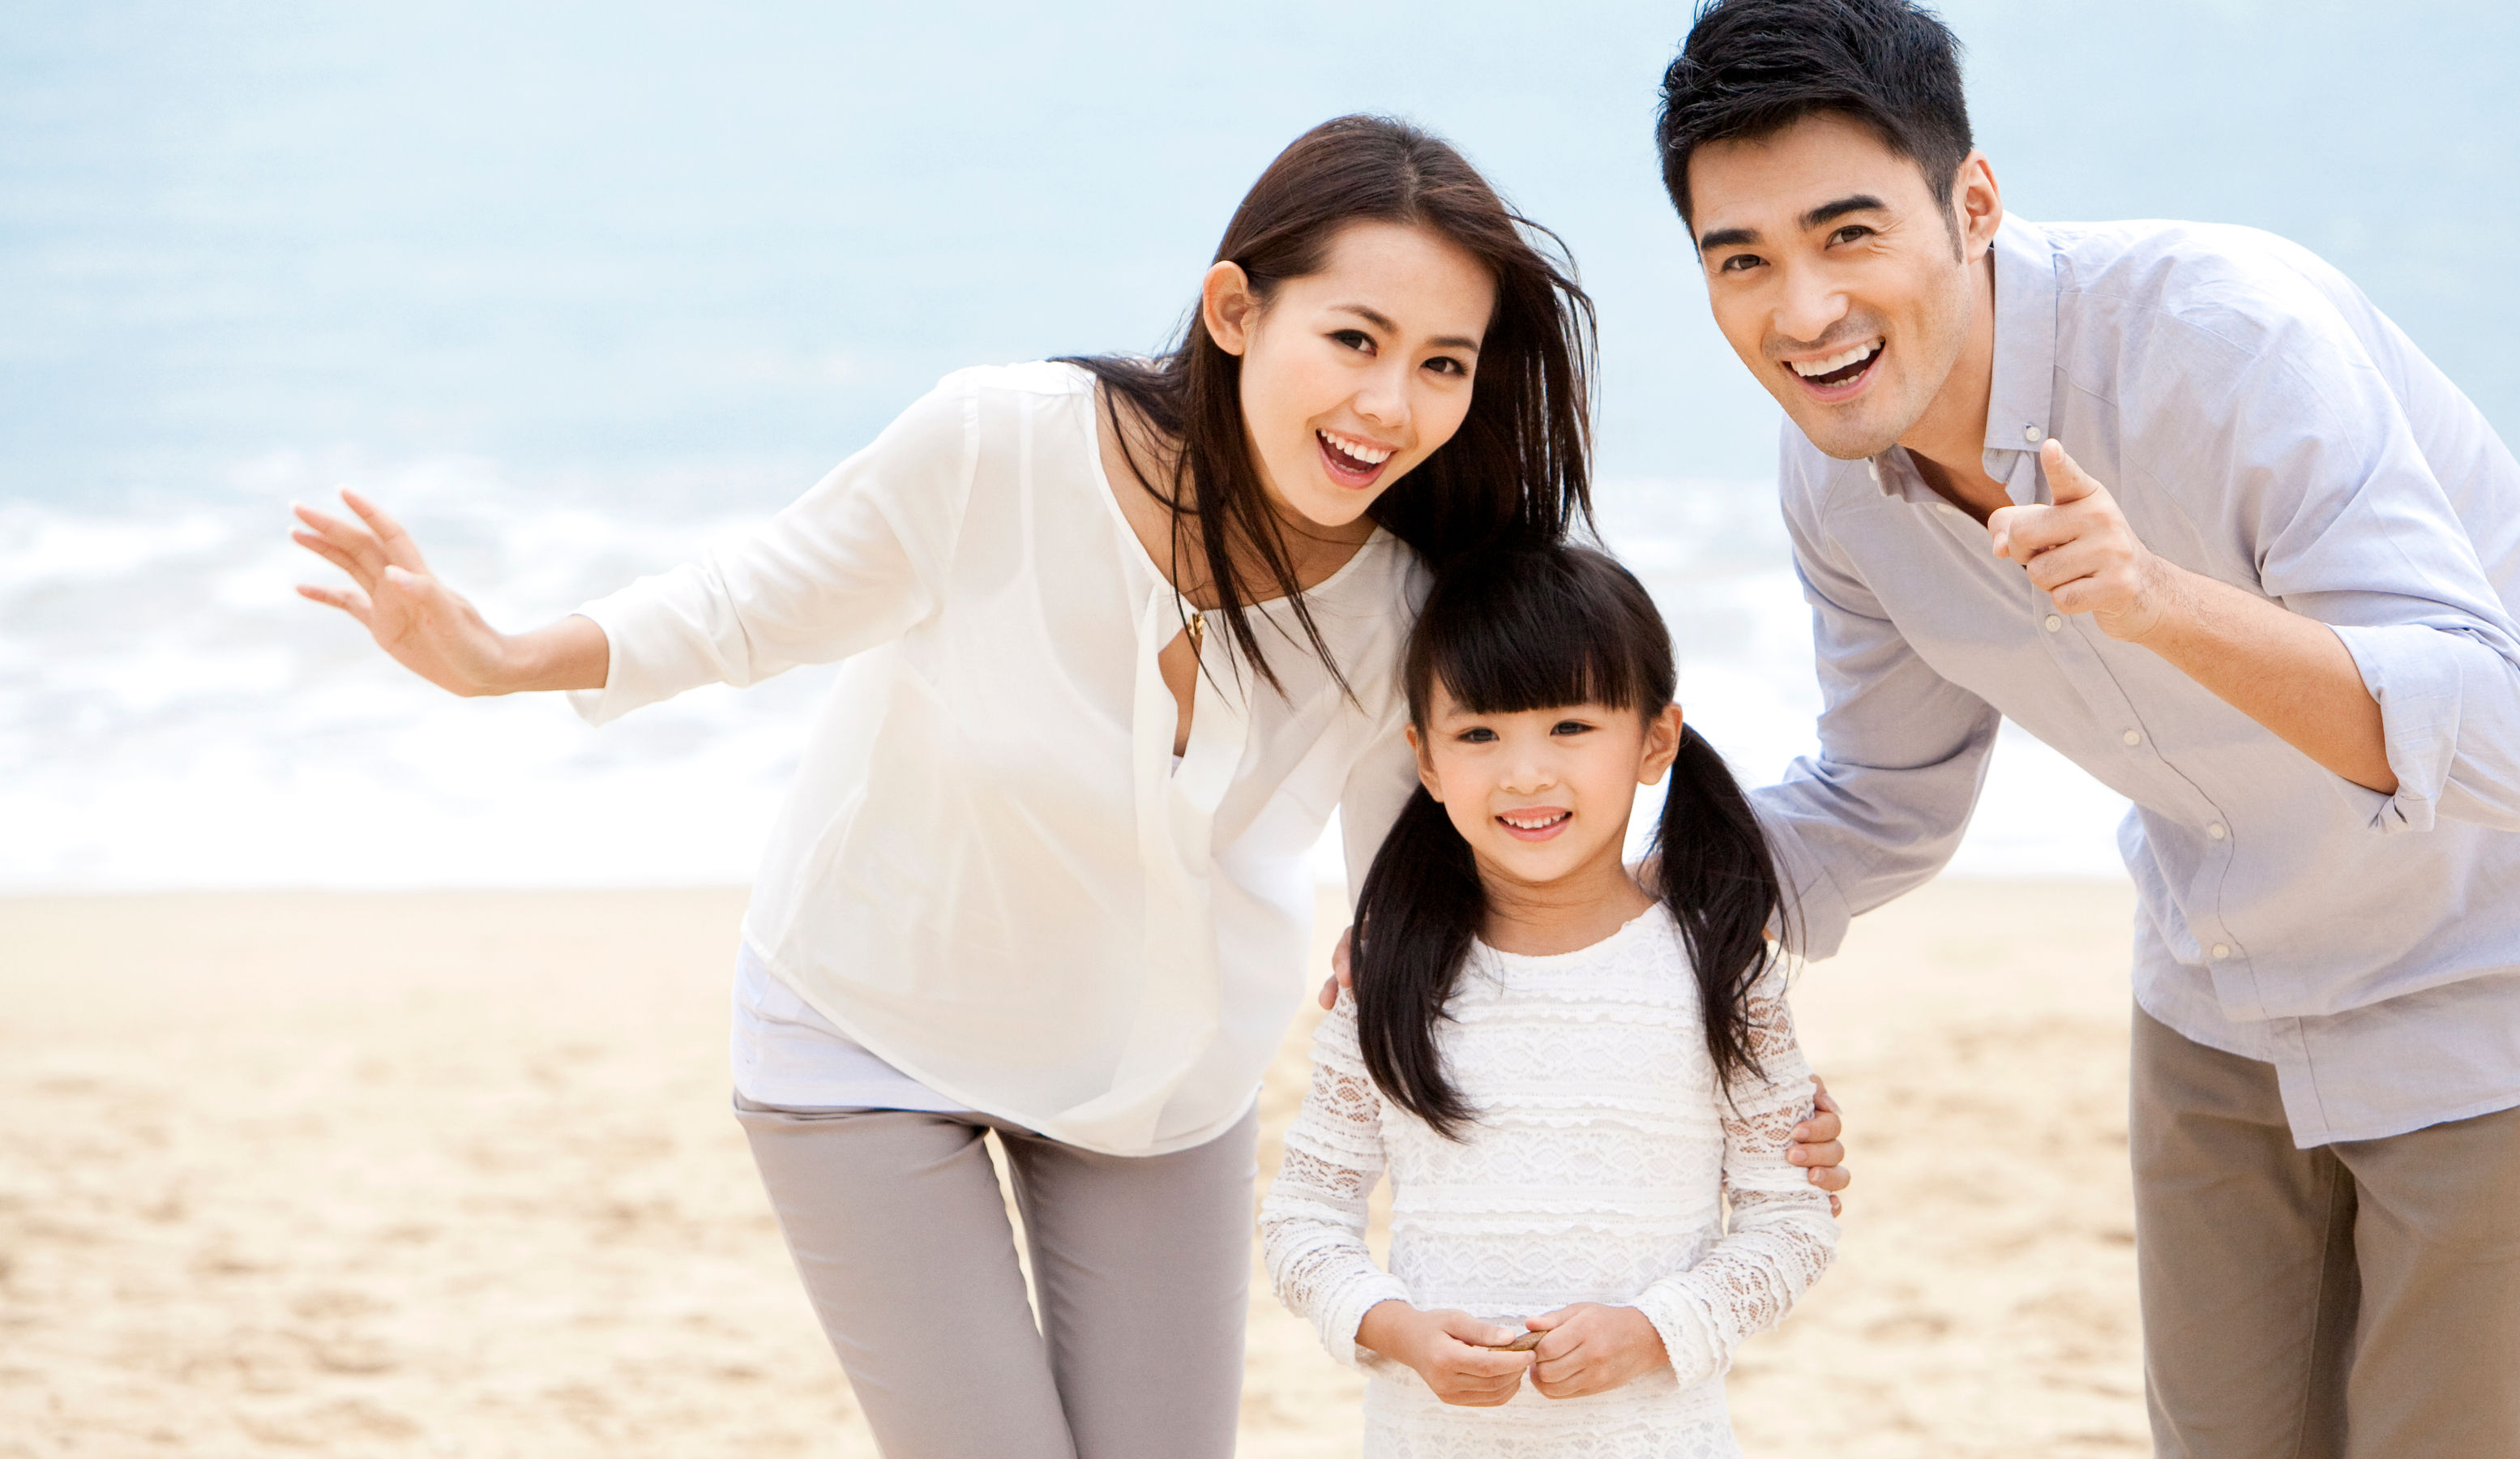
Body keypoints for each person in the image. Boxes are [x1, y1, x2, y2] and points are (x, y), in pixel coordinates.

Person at [287, 114, 1848, 1459]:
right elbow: (747, 604)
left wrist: (1726, 1080)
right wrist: (495, 655)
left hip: (1156, 1085)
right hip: (866, 1035)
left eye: (1442, 364)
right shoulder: (1001, 445)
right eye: (1354, 340)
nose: (1390, 404)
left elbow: (1456, 905)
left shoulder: (1401, 604)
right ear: (1238, 308)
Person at [1652, 0, 2520, 1457]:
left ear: (1973, 203)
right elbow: (1878, 804)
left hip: (2498, 947)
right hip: (2224, 971)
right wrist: (1573, 908)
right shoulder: (1842, 482)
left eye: (1850, 234)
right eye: (1743, 262)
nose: (1808, 310)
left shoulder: (2226, 339)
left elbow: (2504, 739)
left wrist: (2151, 595)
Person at [1261, 544, 1835, 1459]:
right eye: (1480, 734)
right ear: (1427, 758)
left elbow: (1791, 1223)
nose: (1525, 774)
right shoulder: (1391, 975)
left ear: (1655, 741)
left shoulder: (1721, 969)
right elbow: (1302, 1220)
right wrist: (1397, 1329)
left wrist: (1653, 1331)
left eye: (1570, 727)